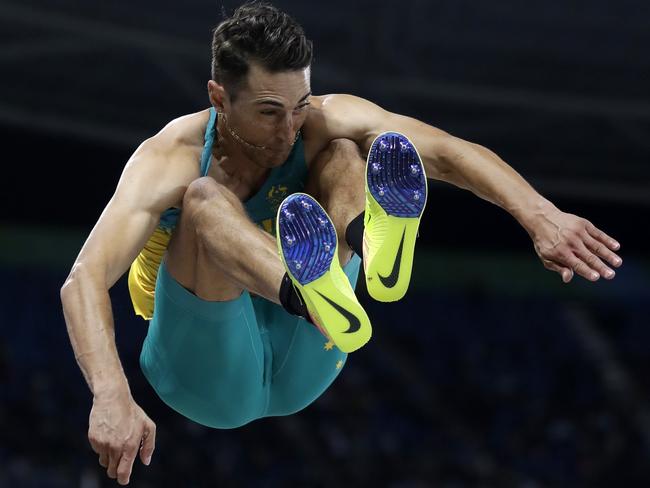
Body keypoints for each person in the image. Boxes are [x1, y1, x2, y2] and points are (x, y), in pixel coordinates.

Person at [60, 2, 622, 485]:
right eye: (269, 112)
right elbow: (84, 277)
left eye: (299, 105)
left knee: (349, 151)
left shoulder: (320, 120)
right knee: (206, 197)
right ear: (219, 97)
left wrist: (541, 216)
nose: (288, 131)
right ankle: (312, 286)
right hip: (204, 374)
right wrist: (110, 393)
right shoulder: (169, 158)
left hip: (317, 348)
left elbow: (447, 152)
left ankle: (369, 250)